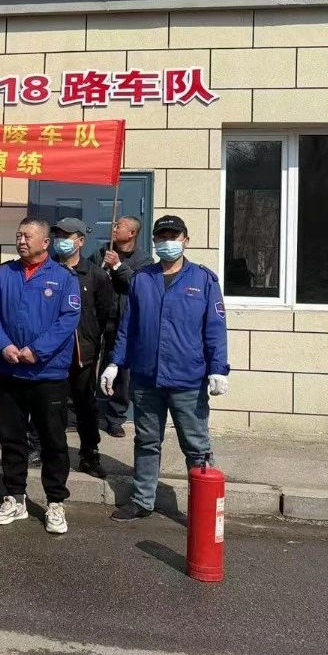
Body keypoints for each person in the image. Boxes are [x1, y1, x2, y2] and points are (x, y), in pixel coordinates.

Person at [103, 215, 230, 522]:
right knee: (146, 442)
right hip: (147, 378)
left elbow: (215, 328)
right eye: (162, 238)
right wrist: (115, 363)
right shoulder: (142, 279)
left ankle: (203, 508)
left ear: (185, 240)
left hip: (188, 380)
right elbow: (128, 327)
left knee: (197, 446)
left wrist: (218, 368)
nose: (167, 243)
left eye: (173, 237)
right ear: (155, 242)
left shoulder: (203, 280)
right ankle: (142, 500)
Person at [0, 217, 81, 535]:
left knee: (53, 440)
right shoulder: (4, 274)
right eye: (18, 235)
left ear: (45, 242)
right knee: (11, 438)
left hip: (47, 373)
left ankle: (55, 502)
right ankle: (15, 497)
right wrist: (4, 345)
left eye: (28, 236)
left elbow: (68, 319)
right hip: (10, 371)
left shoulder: (63, 278)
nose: (21, 240)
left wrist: (37, 350)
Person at [45, 217, 115, 479]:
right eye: (58, 235)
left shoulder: (96, 275)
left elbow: (105, 314)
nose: (61, 240)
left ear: (81, 241)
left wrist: (92, 340)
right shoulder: (47, 270)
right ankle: (47, 451)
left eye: (67, 236)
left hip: (82, 352)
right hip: (51, 352)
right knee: (51, 405)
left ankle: (89, 454)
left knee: (86, 405)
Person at [91, 215, 150, 437]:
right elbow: (87, 275)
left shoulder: (144, 260)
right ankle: (78, 412)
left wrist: (117, 265)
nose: (114, 228)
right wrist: (102, 268)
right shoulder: (102, 252)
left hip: (123, 322)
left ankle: (115, 418)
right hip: (98, 318)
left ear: (132, 233)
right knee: (86, 363)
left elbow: (139, 286)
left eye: (119, 226)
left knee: (120, 371)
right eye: (114, 224)